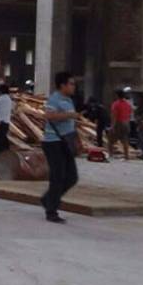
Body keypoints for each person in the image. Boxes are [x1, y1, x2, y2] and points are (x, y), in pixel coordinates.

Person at [41, 72, 81, 224]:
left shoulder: (69, 100)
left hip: (66, 141)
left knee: (72, 177)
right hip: (53, 142)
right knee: (57, 177)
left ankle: (48, 199)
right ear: (62, 85)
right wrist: (69, 115)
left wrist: (77, 139)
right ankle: (51, 210)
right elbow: (49, 116)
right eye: (71, 84)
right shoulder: (54, 99)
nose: (73, 87)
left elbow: (71, 123)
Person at [109, 87, 133, 160]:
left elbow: (114, 115)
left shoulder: (116, 104)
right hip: (126, 123)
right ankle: (126, 156)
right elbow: (130, 113)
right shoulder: (128, 104)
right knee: (125, 140)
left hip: (119, 123)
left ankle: (111, 155)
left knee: (111, 139)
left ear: (117, 95)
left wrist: (112, 126)